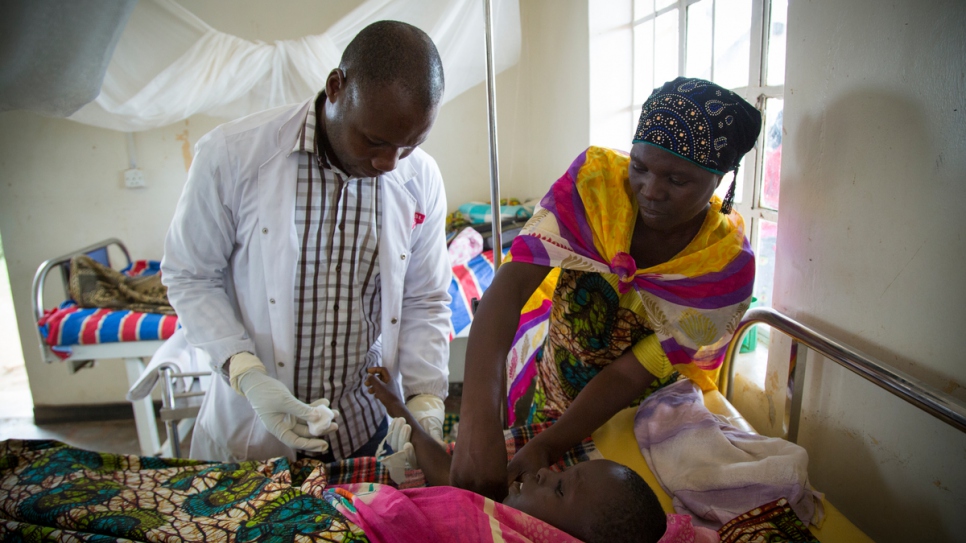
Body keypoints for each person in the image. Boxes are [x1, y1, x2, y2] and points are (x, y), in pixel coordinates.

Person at [451, 77, 762, 501]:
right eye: (640, 167)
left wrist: (549, 445)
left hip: (638, 419)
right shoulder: (595, 190)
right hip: (555, 386)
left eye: (676, 179)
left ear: (721, 178)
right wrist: (477, 422)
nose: (650, 190)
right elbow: (507, 290)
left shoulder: (721, 269)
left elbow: (630, 373)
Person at [161, 20, 452, 463]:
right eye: (374, 141)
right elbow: (190, 276)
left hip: (363, 434)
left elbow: (425, 298)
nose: (390, 163)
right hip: (256, 436)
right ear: (336, 86)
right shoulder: (232, 155)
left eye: (408, 146)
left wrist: (425, 402)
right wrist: (245, 371)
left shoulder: (421, 178)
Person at [363, 367, 672, 543]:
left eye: (561, 487)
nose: (545, 472)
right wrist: (399, 409)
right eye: (561, 473)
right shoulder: (504, 516)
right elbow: (456, 487)